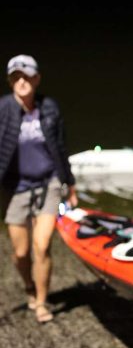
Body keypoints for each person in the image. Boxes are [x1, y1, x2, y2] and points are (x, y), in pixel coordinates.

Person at [0, 54, 78, 323]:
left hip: (49, 182)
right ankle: (29, 287)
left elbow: (61, 147)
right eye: (15, 77)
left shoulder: (49, 107)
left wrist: (71, 184)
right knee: (21, 253)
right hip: (16, 188)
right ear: (10, 81)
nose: (21, 81)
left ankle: (42, 302)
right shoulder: (4, 109)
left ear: (37, 78)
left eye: (26, 76)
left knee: (41, 245)